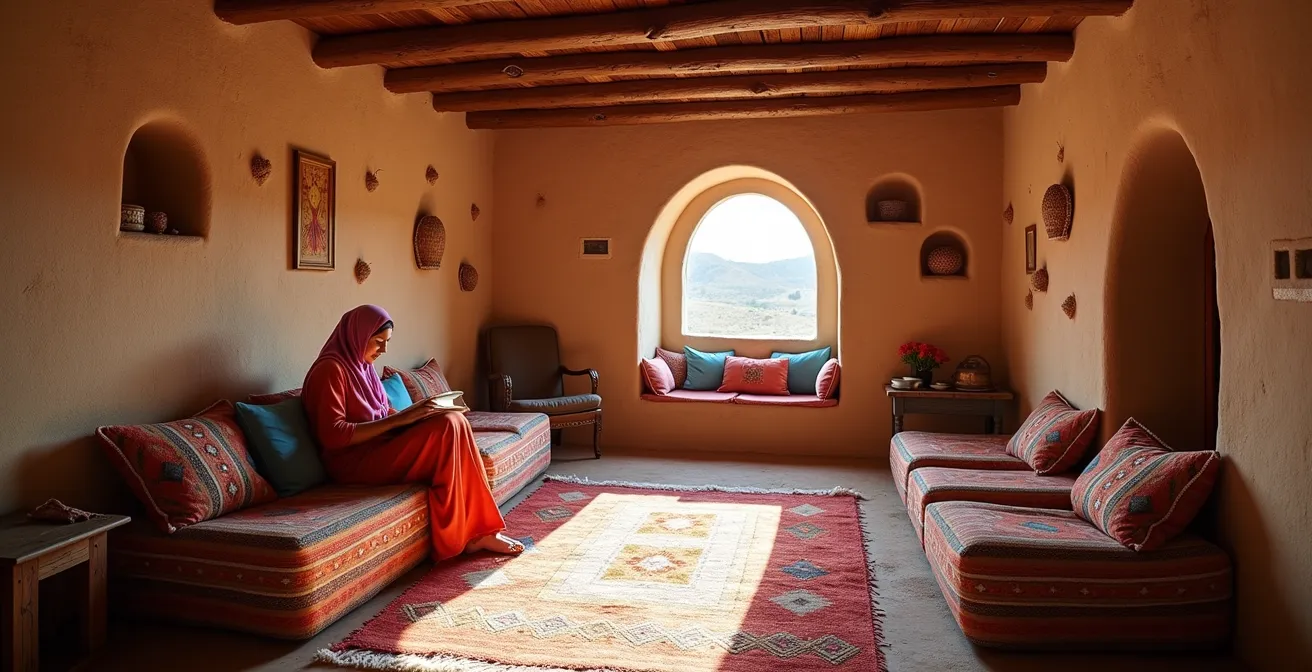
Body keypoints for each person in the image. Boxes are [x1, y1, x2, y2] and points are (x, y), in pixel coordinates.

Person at [302, 304, 522, 559]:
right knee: (449, 426)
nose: (383, 349)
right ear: (357, 335)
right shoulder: (330, 371)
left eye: (387, 341)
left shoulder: (364, 368)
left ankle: (483, 532)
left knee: (454, 420)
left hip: (379, 447)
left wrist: (420, 413)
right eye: (377, 342)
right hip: (352, 462)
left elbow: (383, 412)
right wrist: (400, 421)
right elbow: (334, 435)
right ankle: (457, 537)